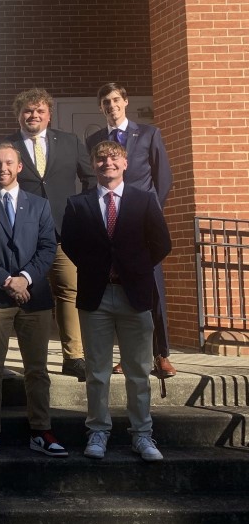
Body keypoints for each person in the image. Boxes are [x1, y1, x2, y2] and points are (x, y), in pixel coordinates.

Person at [61, 141, 172, 462]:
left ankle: (142, 435)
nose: (106, 162)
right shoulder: (77, 204)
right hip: (96, 295)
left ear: (125, 164)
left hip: (135, 294)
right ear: (93, 165)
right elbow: (71, 245)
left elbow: (161, 243)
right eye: (100, 158)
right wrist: (97, 268)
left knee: (138, 371)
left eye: (113, 158)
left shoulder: (144, 200)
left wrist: (134, 268)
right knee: (97, 371)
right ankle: (98, 431)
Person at [0, 142, 66, 459]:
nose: (2, 168)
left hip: (34, 298)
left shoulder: (38, 205)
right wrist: (6, 280)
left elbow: (48, 246)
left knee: (36, 370)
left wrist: (26, 278)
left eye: (9, 162)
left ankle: (41, 430)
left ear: (19, 166)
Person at [4, 88, 95, 382]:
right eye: (28, 111)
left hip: (63, 232)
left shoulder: (69, 142)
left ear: (49, 114)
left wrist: (85, 210)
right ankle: (34, 357)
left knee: (69, 291)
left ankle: (74, 357)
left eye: (39, 111)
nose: (34, 116)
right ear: (19, 114)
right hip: (23, 234)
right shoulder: (8, 147)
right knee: (29, 296)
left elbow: (90, 178)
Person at [87, 82, 175, 378]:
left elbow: (163, 178)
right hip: (110, 221)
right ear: (100, 108)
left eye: (115, 100)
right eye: (105, 102)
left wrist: (148, 210)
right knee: (121, 290)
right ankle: (129, 356)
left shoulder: (149, 134)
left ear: (125, 102)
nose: (111, 106)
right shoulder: (96, 139)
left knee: (152, 288)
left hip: (142, 223)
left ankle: (161, 354)